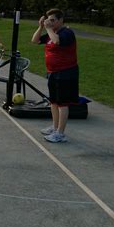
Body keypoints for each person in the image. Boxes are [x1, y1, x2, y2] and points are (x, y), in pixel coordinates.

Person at [31, 8, 79, 143]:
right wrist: (41, 27)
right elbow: (34, 41)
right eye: (48, 20)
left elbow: (57, 41)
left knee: (63, 104)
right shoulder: (52, 33)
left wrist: (48, 29)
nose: (50, 23)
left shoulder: (67, 33)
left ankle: (60, 133)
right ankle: (55, 126)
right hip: (53, 72)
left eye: (53, 20)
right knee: (53, 102)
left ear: (60, 20)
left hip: (66, 72)